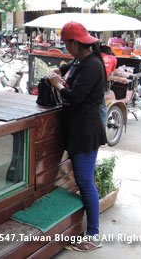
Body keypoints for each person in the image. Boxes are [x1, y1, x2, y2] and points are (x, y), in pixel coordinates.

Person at [47, 22, 107, 252]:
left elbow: (75, 97)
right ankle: (92, 228)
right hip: (79, 128)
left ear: (75, 43)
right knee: (85, 180)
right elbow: (68, 67)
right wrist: (59, 72)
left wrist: (57, 85)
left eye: (66, 44)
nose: (65, 48)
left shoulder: (92, 65)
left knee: (84, 181)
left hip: (86, 131)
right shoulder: (83, 60)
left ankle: (93, 234)